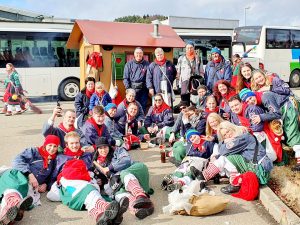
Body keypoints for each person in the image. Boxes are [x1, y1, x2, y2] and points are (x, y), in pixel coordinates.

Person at [191, 121, 273, 194]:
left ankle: (206, 176)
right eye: (225, 135)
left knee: (226, 158)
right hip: (257, 168)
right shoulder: (240, 135)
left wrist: (224, 141)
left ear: (232, 128)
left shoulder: (242, 137)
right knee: (228, 158)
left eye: (228, 131)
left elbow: (223, 151)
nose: (228, 135)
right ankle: (234, 182)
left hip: (260, 172)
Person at [0, 135, 60, 224]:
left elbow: (52, 177)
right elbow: (17, 160)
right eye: (50, 145)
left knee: (25, 195)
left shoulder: (55, 160)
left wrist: (46, 185)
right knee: (15, 187)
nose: (52, 149)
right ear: (45, 145)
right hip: (17, 175)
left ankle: (8, 216)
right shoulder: (34, 151)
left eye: (55, 146)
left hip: (30, 186)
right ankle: (13, 205)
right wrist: (29, 174)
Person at [47, 158, 126, 225]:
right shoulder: (86, 174)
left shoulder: (60, 182)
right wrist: (95, 182)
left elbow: (50, 195)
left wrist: (65, 193)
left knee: (90, 205)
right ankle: (108, 208)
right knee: (94, 196)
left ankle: (100, 216)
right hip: (86, 191)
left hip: (75, 203)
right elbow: (92, 183)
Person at [92, 137, 154, 220]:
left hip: (136, 171)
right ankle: (139, 209)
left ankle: (140, 195)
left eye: (105, 147)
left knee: (124, 173)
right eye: (100, 148)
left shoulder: (118, 150)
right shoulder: (98, 162)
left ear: (109, 146)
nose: (103, 150)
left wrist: (109, 168)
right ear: (97, 149)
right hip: (123, 182)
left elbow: (126, 160)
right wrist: (99, 181)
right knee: (118, 195)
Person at [239, 88, 300, 171]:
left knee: (291, 134)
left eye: (250, 98)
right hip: (283, 109)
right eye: (247, 101)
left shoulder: (265, 97)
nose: (250, 101)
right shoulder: (259, 100)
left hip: (288, 107)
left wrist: (261, 117)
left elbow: (276, 113)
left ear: (253, 94)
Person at [123, 47, 150, 112]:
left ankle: (141, 120)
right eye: (137, 53)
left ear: (143, 54)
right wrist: (128, 89)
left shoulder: (147, 64)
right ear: (134, 54)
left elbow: (149, 77)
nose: (139, 55)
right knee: (132, 106)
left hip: (143, 89)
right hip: (132, 89)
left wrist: (149, 88)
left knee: (143, 106)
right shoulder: (129, 64)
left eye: (140, 53)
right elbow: (125, 78)